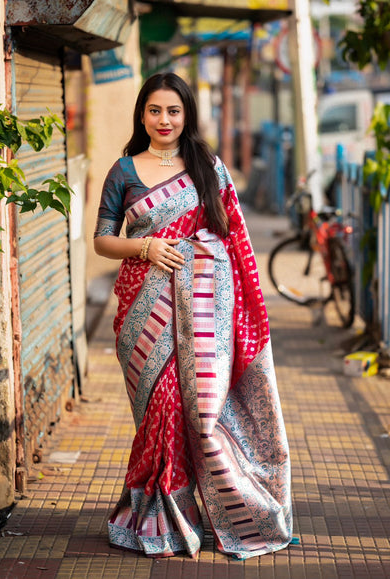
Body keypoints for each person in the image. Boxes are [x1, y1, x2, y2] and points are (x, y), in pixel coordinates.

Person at [94, 72, 292, 560]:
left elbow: (231, 242)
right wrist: (146, 246)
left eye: (174, 111)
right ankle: (154, 515)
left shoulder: (207, 167)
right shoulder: (123, 170)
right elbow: (102, 240)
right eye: (156, 110)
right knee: (158, 409)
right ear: (142, 114)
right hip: (141, 314)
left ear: (187, 115)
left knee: (193, 413)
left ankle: (183, 515)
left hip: (201, 316)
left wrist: (198, 255)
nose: (165, 120)